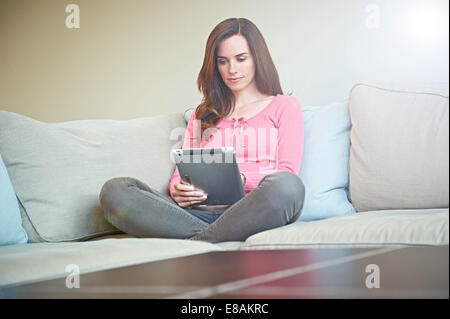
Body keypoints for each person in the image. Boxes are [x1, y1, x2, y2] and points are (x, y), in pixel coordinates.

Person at [99, 17, 305, 243]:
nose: (232, 69)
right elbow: (180, 173)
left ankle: (198, 242)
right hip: (196, 212)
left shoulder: (285, 106)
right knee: (115, 191)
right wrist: (180, 190)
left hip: (252, 212)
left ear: (258, 59)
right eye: (223, 61)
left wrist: (241, 178)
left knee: (288, 187)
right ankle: (211, 238)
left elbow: (288, 172)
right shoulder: (203, 112)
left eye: (241, 59)